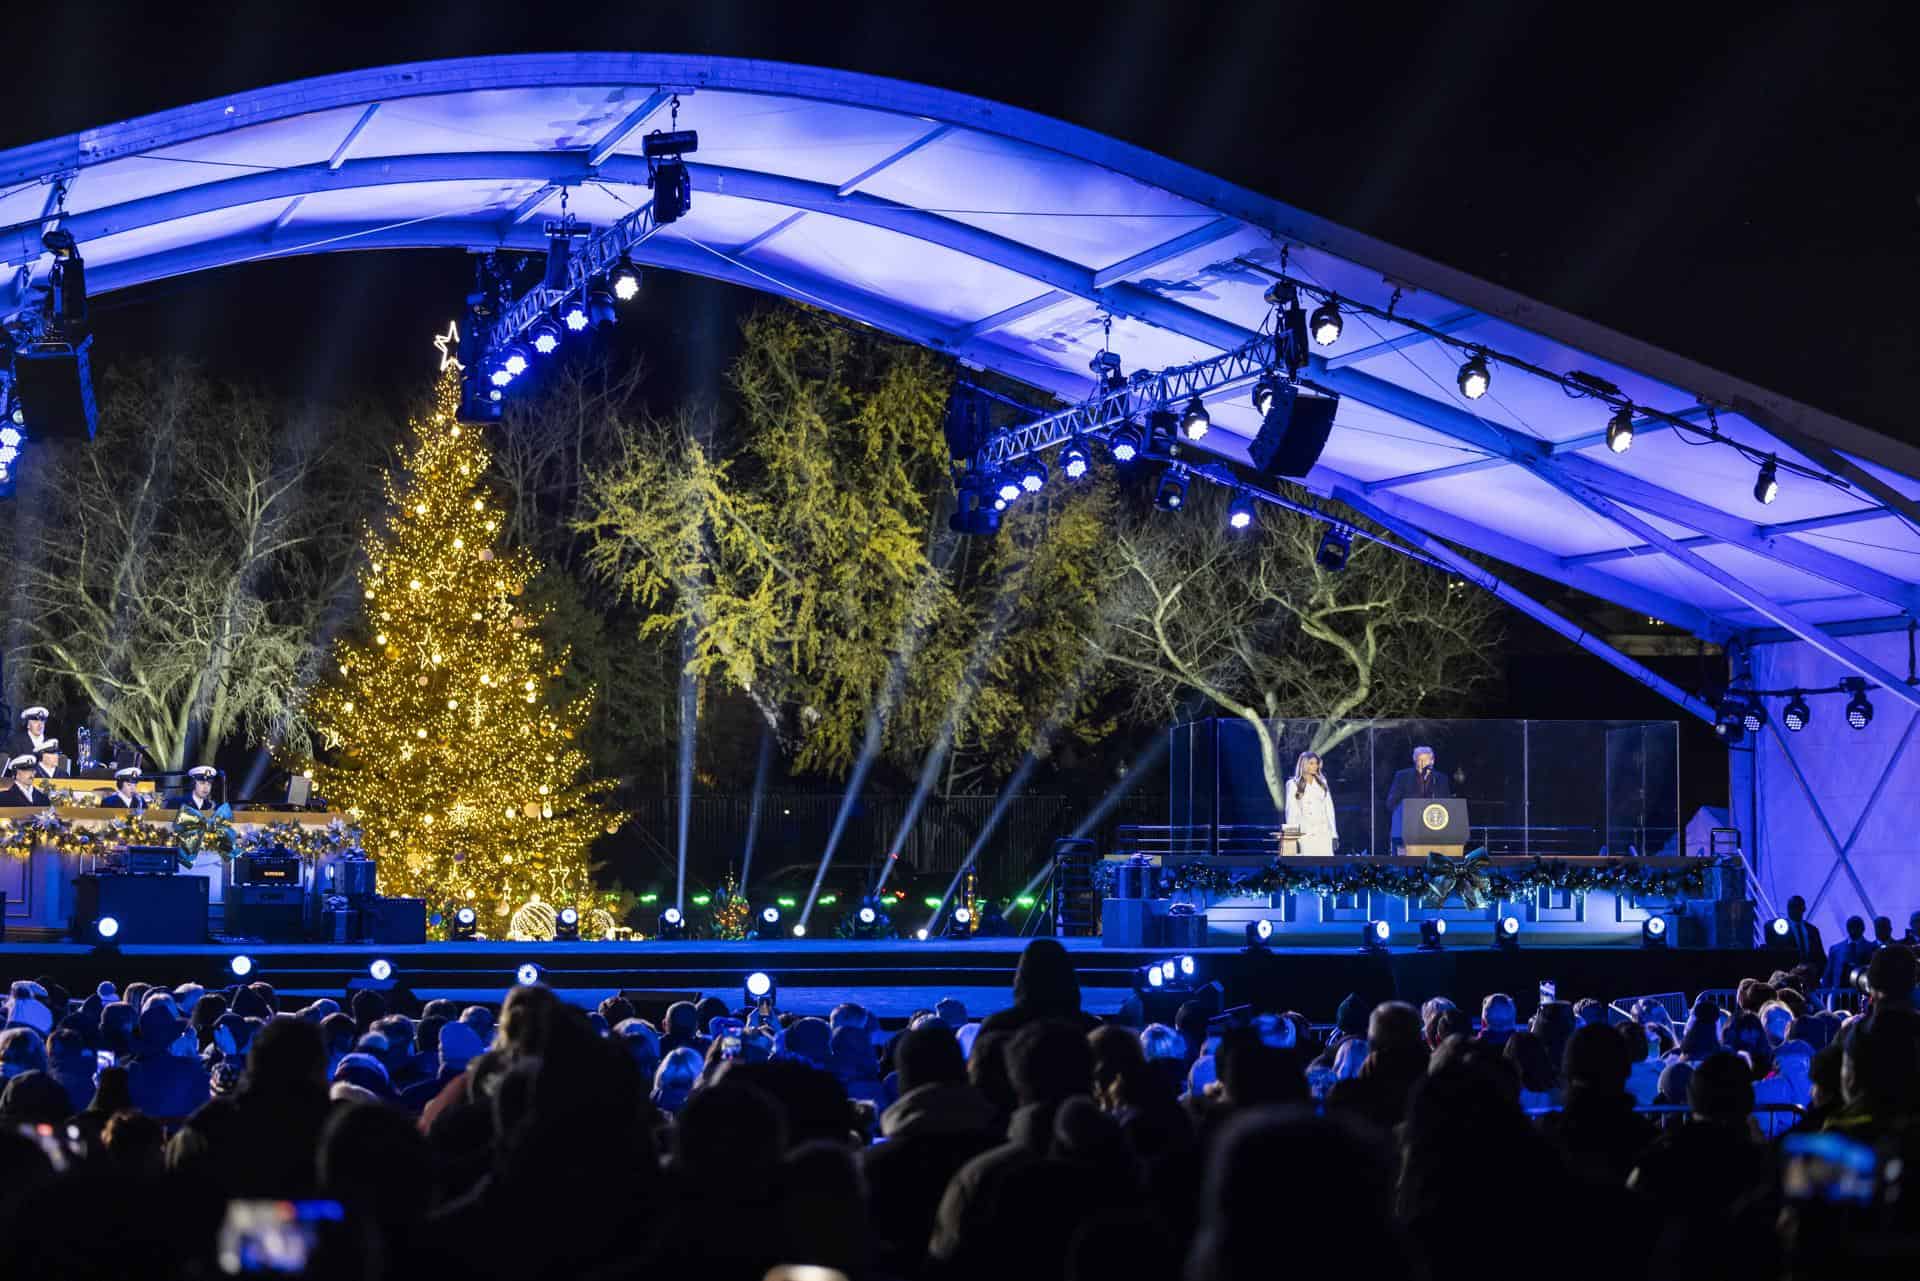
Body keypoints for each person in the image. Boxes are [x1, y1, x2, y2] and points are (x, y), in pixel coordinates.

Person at [1384, 744, 1452, 851]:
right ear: (1415, 761)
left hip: (1434, 832)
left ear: (1432, 761)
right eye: (1419, 760)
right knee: (1406, 865)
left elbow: (1448, 806)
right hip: (1406, 833)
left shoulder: (1441, 779)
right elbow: (1390, 803)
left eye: (1426, 760)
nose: (1422, 763)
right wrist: (1409, 805)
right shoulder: (1402, 776)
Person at [1283, 750, 1338, 856]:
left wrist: (1334, 834)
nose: (1315, 766)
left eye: (1316, 763)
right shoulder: (1293, 784)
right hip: (1305, 835)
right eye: (1311, 763)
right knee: (1308, 868)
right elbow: (1291, 813)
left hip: (1323, 834)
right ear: (1304, 764)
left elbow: (1329, 809)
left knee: (1326, 867)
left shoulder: (1322, 783)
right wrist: (1292, 840)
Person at [1824, 915, 1880, 988]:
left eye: (1857, 926)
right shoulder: (1835, 949)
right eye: (1851, 926)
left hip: (1862, 992)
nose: (1854, 929)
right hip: (1839, 993)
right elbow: (1828, 974)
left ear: (1863, 929)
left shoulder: (1872, 948)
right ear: (1847, 928)